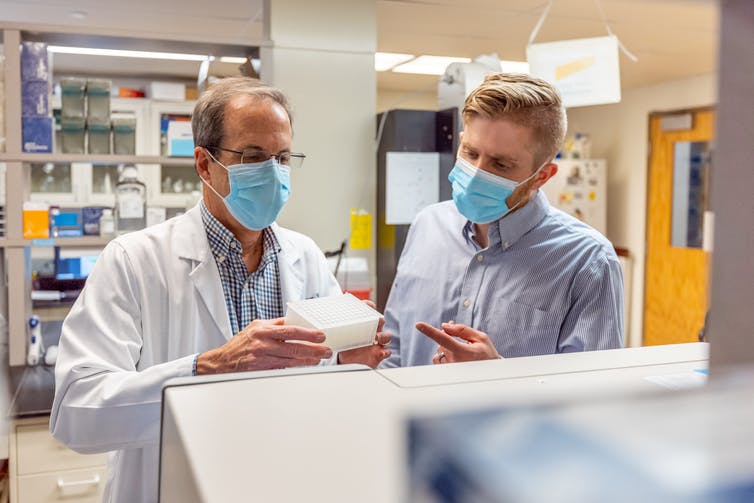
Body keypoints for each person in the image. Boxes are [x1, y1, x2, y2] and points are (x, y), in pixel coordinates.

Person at [50, 77, 390, 503]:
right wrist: (208, 367)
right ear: (204, 164)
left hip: (283, 483)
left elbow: (320, 388)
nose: (272, 171)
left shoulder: (306, 258)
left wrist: (349, 365)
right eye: (252, 156)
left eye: (282, 157)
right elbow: (76, 415)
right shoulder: (133, 260)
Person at [381, 73, 623, 368]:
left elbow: (593, 392)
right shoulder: (426, 225)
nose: (475, 174)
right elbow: (393, 349)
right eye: (470, 153)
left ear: (542, 176)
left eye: (501, 164)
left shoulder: (587, 261)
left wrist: (498, 374)